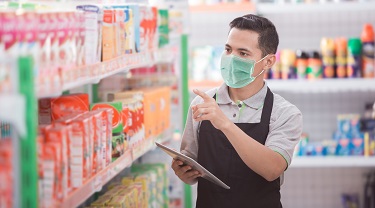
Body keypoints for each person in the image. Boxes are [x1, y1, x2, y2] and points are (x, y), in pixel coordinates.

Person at [171, 14, 303, 207]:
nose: (231, 59)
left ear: (268, 62)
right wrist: (183, 172)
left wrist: (224, 124)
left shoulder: (284, 113)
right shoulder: (202, 102)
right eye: (228, 49)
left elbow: (272, 169)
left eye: (243, 53)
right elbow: (191, 164)